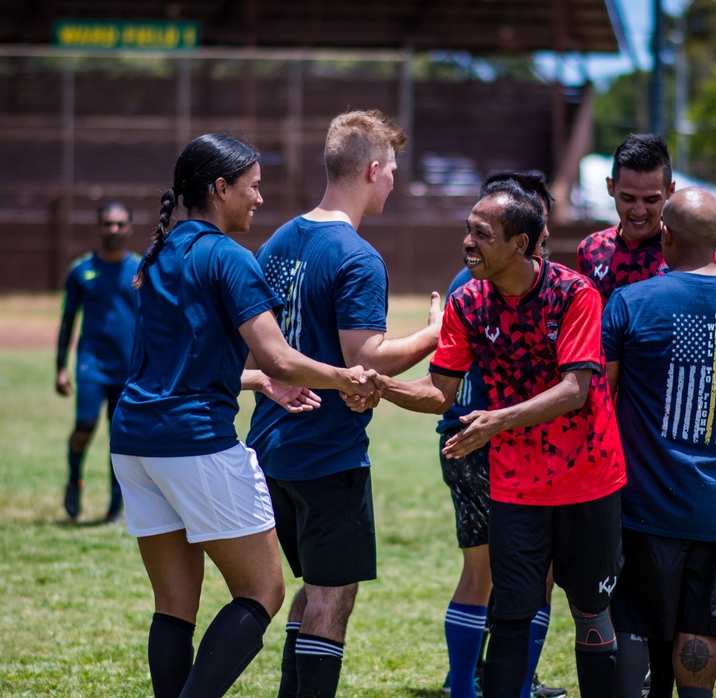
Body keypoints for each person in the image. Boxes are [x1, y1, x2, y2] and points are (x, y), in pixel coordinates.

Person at [109, 134, 377, 698]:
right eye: (253, 187)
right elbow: (279, 354)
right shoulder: (231, 258)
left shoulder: (158, 252)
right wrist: (344, 376)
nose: (260, 198)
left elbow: (187, 363)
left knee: (175, 605)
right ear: (220, 188)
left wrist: (259, 382)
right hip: (194, 443)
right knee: (262, 592)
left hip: (133, 444)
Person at [367, 180, 626, 698]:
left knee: (591, 613)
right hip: (516, 487)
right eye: (468, 230)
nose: (468, 242)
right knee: (510, 614)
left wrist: (495, 421)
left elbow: (575, 390)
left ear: (521, 245)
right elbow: (440, 392)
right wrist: (383, 387)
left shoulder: (575, 294)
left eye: (482, 234)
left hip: (588, 480)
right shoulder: (467, 303)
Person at [245, 109, 442, 698]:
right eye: (393, 173)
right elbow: (369, 357)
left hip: (271, 443)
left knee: (314, 586)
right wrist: (436, 332)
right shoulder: (357, 256)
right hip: (327, 451)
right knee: (335, 592)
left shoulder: (279, 239)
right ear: (373, 170)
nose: (394, 184)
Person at [602, 187, 716, 698]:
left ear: (664, 235)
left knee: (635, 622)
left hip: (641, 505)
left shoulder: (629, 302)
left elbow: (602, 392)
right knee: (699, 627)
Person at [437, 172, 566, 698]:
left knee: (478, 571)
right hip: (503, 443)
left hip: (456, 438)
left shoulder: (461, 281)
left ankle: (462, 682)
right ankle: (517, 683)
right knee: (537, 577)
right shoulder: (510, 285)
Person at [55, 201, 140, 522]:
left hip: (130, 369)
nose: (114, 230)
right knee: (84, 428)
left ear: (130, 227)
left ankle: (115, 508)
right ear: (99, 227)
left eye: (120, 224)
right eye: (107, 224)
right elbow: (67, 322)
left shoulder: (141, 270)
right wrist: (60, 368)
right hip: (92, 366)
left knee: (120, 438)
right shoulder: (81, 270)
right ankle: (75, 480)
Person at [576, 133, 716, 306]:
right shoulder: (590, 250)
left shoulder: (698, 252)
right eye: (628, 198)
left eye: (651, 200)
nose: (639, 211)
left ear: (670, 190)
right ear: (611, 187)